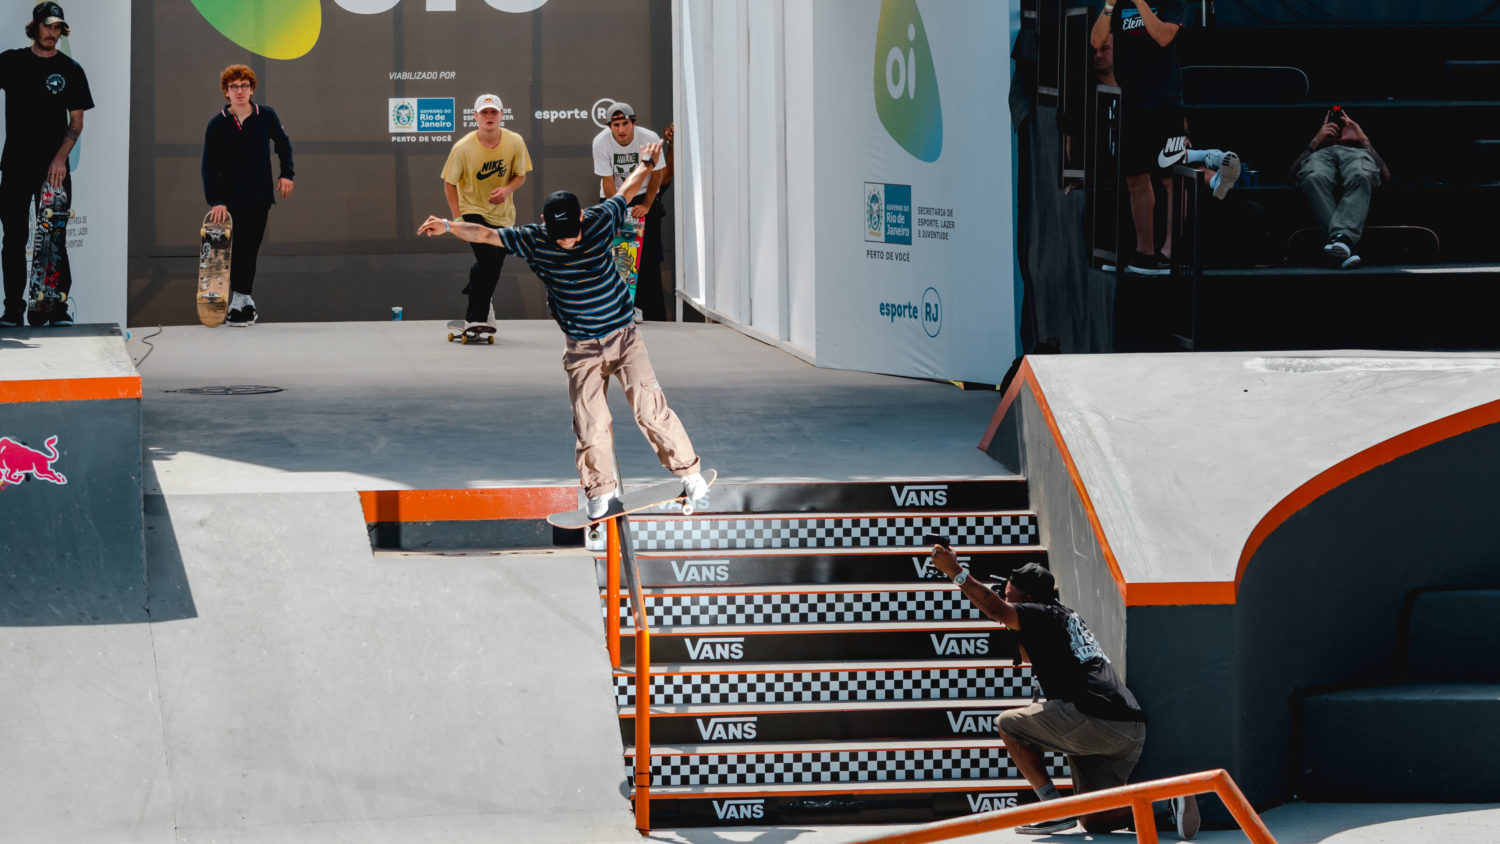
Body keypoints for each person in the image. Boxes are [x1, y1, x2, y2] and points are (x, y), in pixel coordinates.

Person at [417, 139, 707, 518]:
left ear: (582, 217)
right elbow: (485, 234)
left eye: (572, 232)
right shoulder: (533, 239)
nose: (567, 241)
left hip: (624, 338)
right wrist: (448, 226)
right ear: (544, 224)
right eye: (559, 235)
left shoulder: (600, 218)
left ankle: (690, 474)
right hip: (582, 348)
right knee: (590, 422)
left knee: (650, 409)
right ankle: (599, 491)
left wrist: (647, 163)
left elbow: (625, 191)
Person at [929, 549, 1199, 839]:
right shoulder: (1063, 616)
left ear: (1028, 599)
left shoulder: (1040, 613)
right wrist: (1007, 620)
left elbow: (995, 609)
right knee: (1094, 819)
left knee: (1008, 724)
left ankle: (1052, 809)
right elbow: (1023, 651)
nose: (1007, 602)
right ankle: (1166, 804)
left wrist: (955, 572)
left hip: (1094, 717)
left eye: (1010, 596)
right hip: (1126, 727)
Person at [0, 2, 93, 327]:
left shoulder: (70, 69)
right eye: (47, 26)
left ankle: (55, 308)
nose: (52, 33)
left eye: (57, 28)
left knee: (54, 238)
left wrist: (60, 158)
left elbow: (77, 122)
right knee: (14, 239)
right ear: (34, 27)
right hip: (15, 166)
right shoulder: (10, 62)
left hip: (54, 171)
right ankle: (13, 310)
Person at [201, 64, 294, 327]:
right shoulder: (217, 124)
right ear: (226, 91)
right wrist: (217, 200)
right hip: (228, 202)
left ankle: (240, 301)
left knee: (248, 250)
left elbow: (283, 144)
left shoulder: (266, 116)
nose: (239, 91)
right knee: (231, 253)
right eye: (234, 87)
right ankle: (243, 302)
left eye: (244, 86)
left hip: (258, 197)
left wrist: (287, 174)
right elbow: (209, 166)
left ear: (251, 89)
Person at [441, 93, 532, 329]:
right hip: (472, 210)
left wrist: (507, 189)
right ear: (475, 116)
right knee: (489, 261)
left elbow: (520, 175)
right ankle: (475, 319)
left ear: (501, 115)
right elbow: (449, 183)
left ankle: (479, 292)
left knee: (492, 265)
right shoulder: (462, 148)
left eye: (493, 112)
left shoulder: (515, 141)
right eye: (484, 112)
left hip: (503, 216)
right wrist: (458, 219)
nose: (489, 116)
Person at [1288, 106, 1389, 270]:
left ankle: (1340, 242)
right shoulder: (1317, 141)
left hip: (1354, 152)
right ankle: (1344, 242)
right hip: (1320, 153)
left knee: (1361, 175)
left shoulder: (1357, 143)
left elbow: (1386, 176)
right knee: (1313, 178)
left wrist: (1363, 140)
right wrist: (1315, 141)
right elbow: (1292, 177)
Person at [591, 102, 666, 320]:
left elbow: (657, 175)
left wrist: (647, 205)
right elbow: (607, 181)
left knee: (648, 258)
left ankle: (653, 314)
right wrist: (618, 211)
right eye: (616, 125)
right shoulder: (601, 142)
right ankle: (619, 310)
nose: (621, 130)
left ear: (633, 122)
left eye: (625, 123)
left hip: (644, 195)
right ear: (609, 126)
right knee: (618, 255)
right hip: (615, 197)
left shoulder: (649, 138)